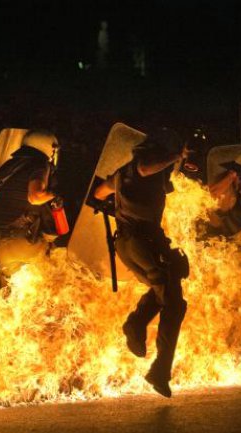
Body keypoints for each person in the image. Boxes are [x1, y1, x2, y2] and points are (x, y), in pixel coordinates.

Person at [93, 127, 190, 398]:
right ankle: (159, 370)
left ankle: (135, 324)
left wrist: (118, 196)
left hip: (129, 244)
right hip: (142, 243)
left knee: (163, 292)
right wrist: (175, 156)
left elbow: (100, 192)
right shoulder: (144, 167)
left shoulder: (123, 173)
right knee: (173, 302)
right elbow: (145, 169)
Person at [0, 130, 60, 281]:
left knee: (13, 294)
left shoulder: (7, 166)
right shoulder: (40, 165)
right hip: (25, 242)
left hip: (0, 244)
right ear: (49, 148)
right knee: (48, 284)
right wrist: (57, 195)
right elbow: (35, 197)